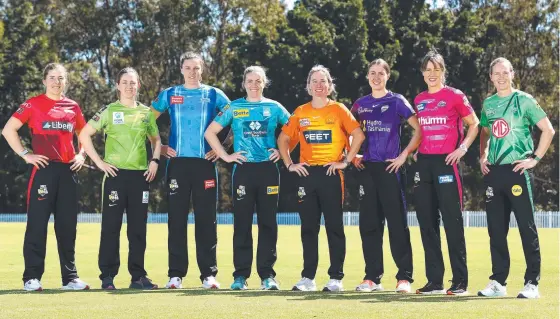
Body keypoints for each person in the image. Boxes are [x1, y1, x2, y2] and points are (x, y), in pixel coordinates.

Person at [1, 63, 90, 291]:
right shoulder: (33, 104)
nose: (56, 82)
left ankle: (70, 278)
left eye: (60, 78)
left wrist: (81, 155)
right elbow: (8, 130)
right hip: (43, 170)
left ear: (65, 81)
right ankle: (31, 278)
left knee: (67, 226)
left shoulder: (73, 107)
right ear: (44, 80)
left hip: (68, 171)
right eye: (52, 77)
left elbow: (84, 134)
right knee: (37, 225)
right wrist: (26, 155)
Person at [278, 65, 365, 292]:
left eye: (323, 81)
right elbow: (283, 140)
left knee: (334, 227)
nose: (319, 85)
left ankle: (336, 277)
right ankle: (308, 278)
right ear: (308, 86)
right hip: (307, 175)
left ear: (329, 86)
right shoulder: (300, 112)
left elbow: (358, 135)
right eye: (314, 81)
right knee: (308, 228)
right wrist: (290, 164)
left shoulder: (338, 110)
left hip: (331, 173)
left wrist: (345, 161)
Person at [205, 66, 290, 290]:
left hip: (269, 171)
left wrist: (282, 153)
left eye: (258, 80)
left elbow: (294, 130)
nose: (254, 84)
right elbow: (210, 132)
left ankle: (267, 276)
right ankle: (240, 277)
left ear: (264, 82)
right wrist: (225, 155)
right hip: (242, 170)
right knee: (242, 224)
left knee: (268, 224)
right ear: (244, 83)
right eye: (250, 80)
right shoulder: (235, 107)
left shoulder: (274, 107)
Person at [151, 52, 230, 289]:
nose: (192, 72)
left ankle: (209, 275)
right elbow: (147, 120)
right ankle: (175, 275)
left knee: (207, 220)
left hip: (205, 164)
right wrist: (160, 147)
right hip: (177, 164)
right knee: (176, 220)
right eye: (188, 67)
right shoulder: (170, 94)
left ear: (202, 69)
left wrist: (221, 149)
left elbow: (236, 117)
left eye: (196, 68)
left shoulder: (214, 94)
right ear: (181, 69)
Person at [477, 57, 555, 299]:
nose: (501, 77)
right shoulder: (488, 104)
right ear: (490, 77)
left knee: (526, 227)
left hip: (518, 171)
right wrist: (483, 156)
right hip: (494, 173)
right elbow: (485, 131)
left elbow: (548, 129)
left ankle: (532, 282)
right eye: (496, 73)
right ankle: (498, 282)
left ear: (512, 74)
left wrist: (535, 159)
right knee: (496, 230)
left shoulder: (524, 100)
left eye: (505, 72)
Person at [79, 67, 161, 290]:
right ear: (117, 85)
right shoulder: (108, 110)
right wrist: (99, 162)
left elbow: (156, 140)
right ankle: (107, 277)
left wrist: (155, 161)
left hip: (140, 176)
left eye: (133, 82)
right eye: (125, 82)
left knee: (137, 229)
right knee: (111, 228)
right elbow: (84, 134)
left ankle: (138, 277)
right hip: (115, 175)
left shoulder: (146, 113)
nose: (129, 86)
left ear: (139, 86)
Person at [351, 59, 421, 293]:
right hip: (368, 169)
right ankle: (372, 278)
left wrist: (404, 155)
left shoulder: (397, 101)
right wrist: (352, 155)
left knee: (397, 224)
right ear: (367, 76)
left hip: (391, 168)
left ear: (388, 76)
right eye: (373, 73)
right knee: (369, 225)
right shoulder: (360, 105)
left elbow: (419, 129)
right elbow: (347, 131)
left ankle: (404, 278)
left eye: (381, 73)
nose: (377, 77)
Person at [412, 50, 479, 295]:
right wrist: (417, 150)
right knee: (427, 224)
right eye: (427, 69)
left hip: (447, 162)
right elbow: (422, 131)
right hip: (425, 165)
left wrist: (462, 148)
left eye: (436, 69)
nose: (432, 74)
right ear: (422, 73)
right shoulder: (419, 99)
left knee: (452, 222)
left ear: (443, 71)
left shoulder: (454, 96)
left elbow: (474, 123)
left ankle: (460, 282)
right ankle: (434, 281)